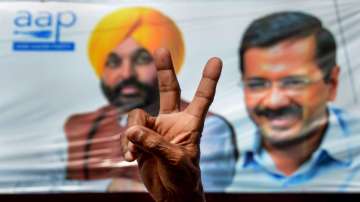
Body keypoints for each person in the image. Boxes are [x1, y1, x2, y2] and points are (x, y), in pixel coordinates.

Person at [121, 11, 360, 200]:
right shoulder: (219, 163)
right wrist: (181, 199)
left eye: (294, 82)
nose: (274, 101)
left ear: (333, 82)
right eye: (258, 84)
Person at [64, 6, 236, 191]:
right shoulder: (78, 127)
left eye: (141, 59)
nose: (126, 73)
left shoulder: (208, 126)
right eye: (113, 62)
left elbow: (210, 191)